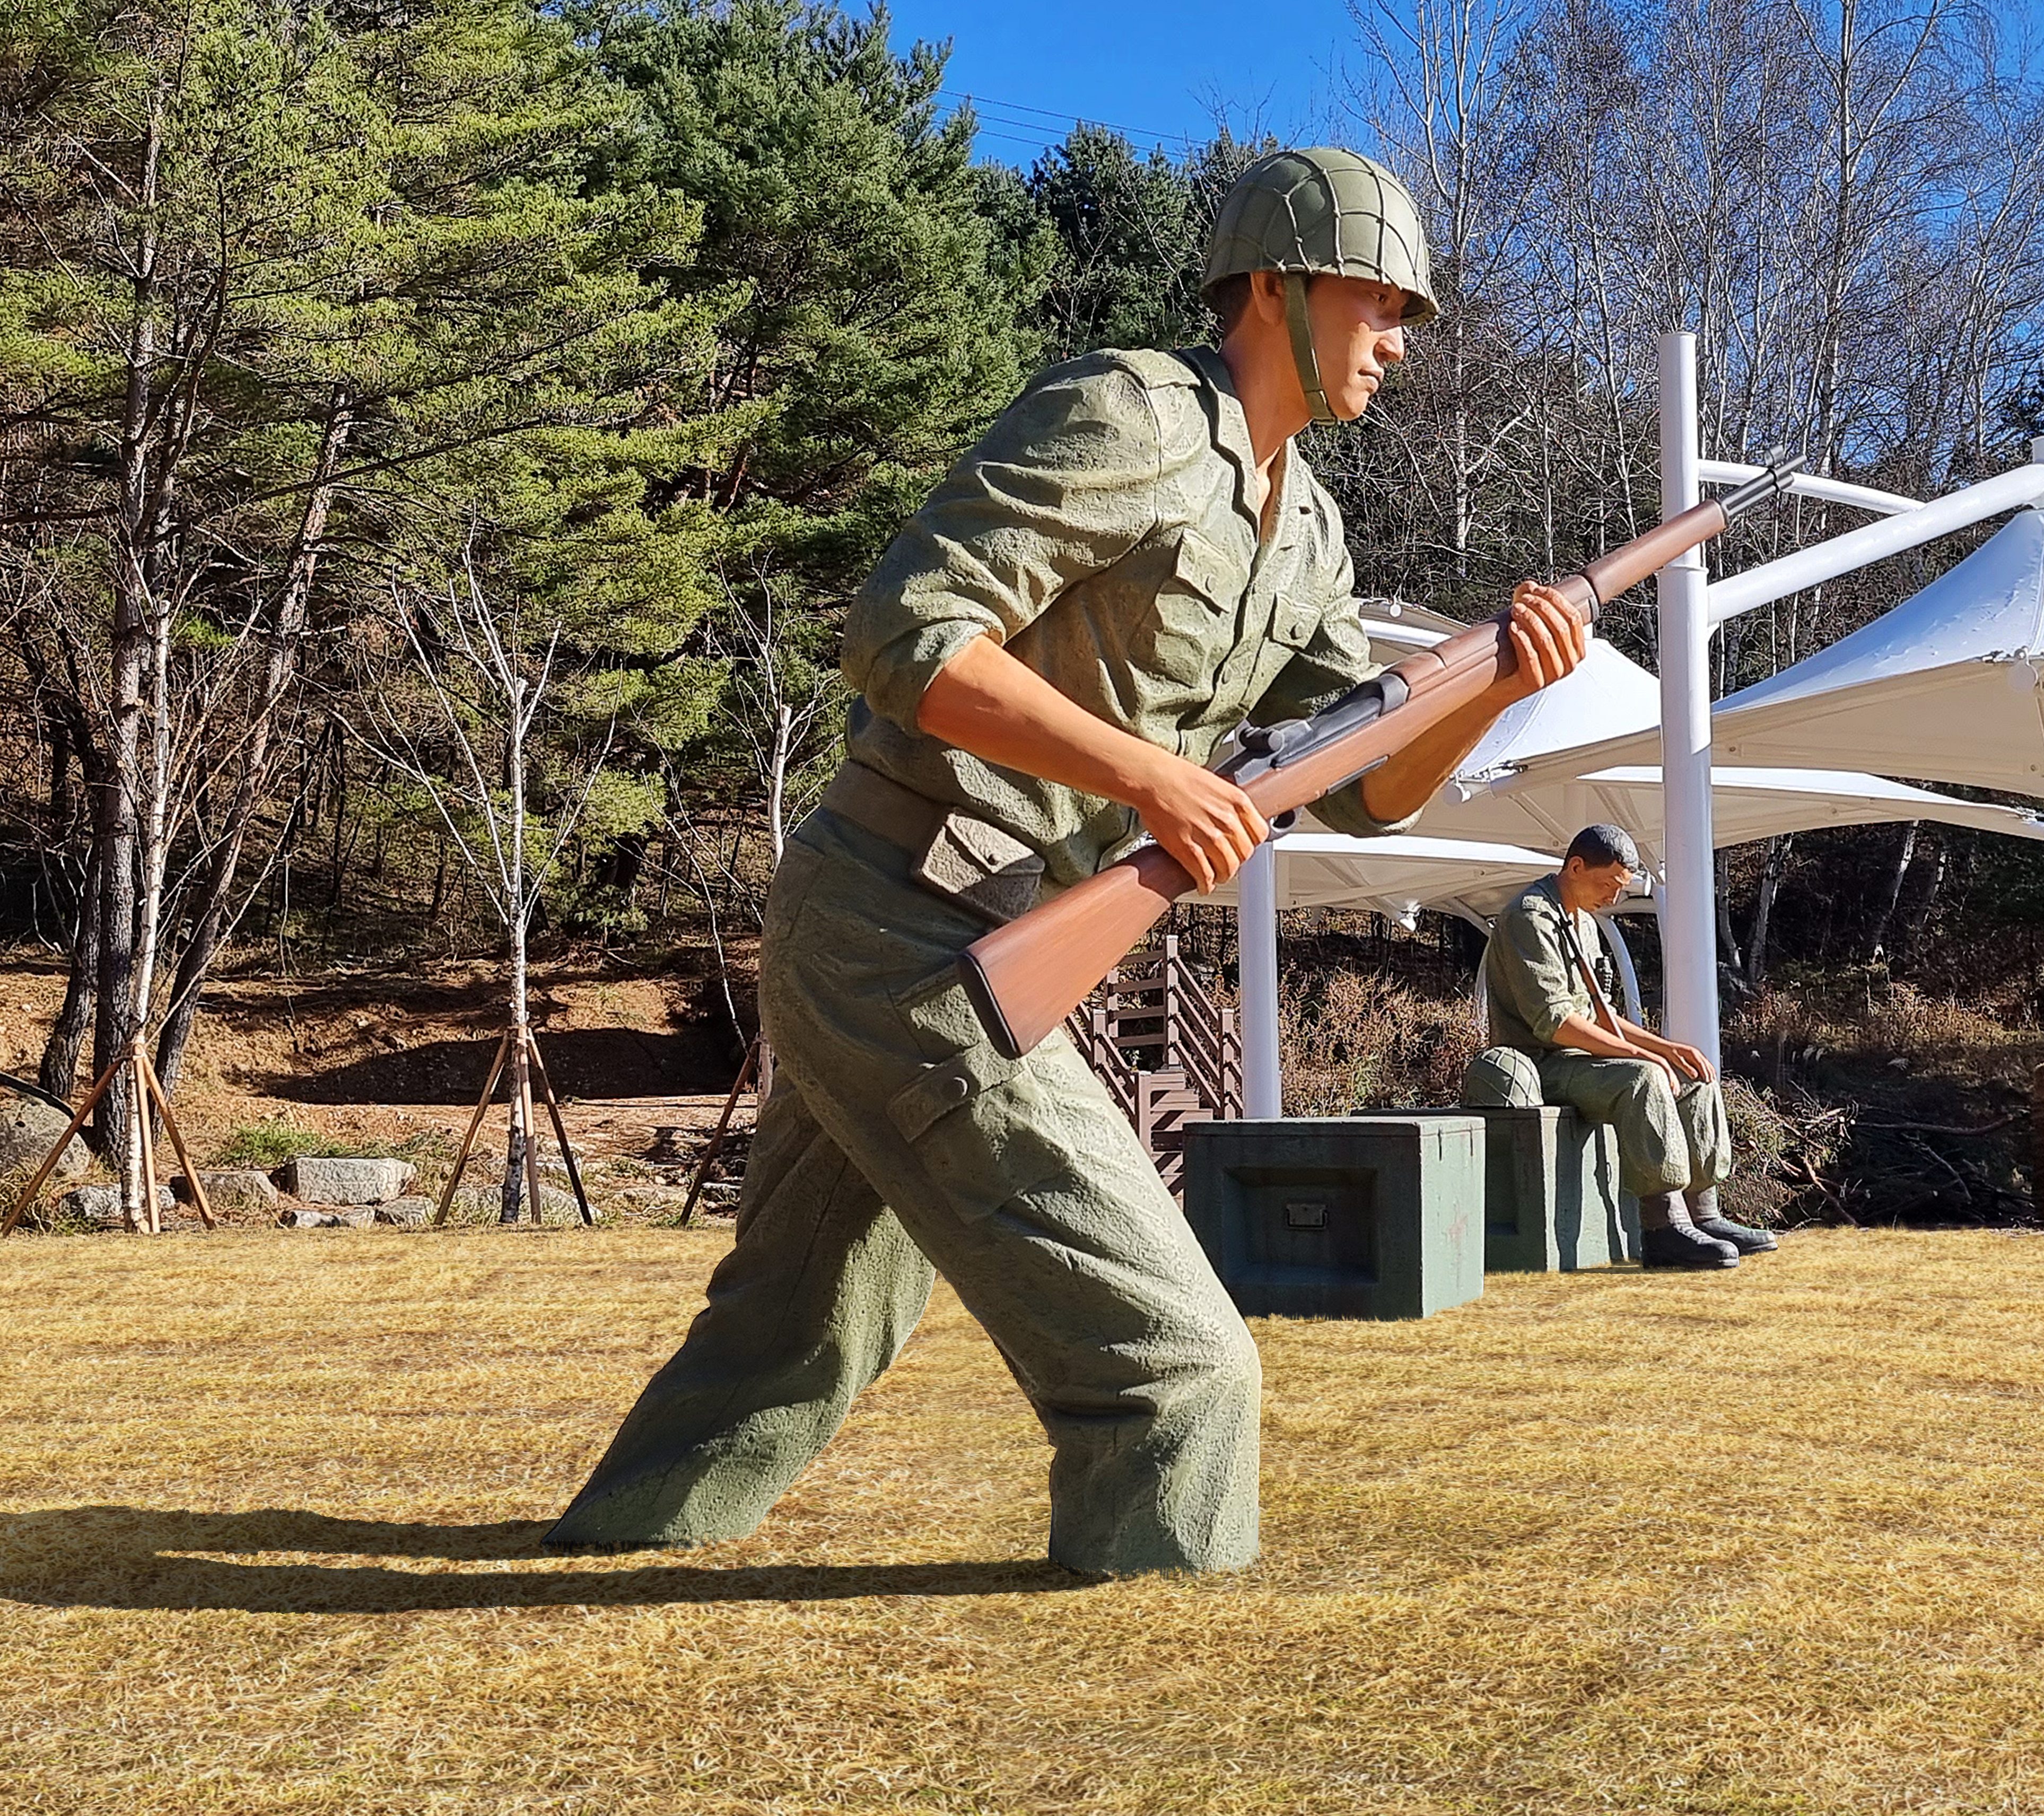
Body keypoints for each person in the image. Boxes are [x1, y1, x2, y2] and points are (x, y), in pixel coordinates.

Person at [543, 148, 1591, 1574]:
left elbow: (1362, 797)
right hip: (898, 919)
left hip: (976, 931)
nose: (1400, 342)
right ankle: (1161, 1651)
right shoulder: (1131, 416)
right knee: (1179, 1367)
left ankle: (610, 1545)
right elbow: (906, 633)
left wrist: (1497, 682)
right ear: (1276, 288)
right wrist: (1151, 775)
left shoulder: (1313, 536)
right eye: (1381, 304)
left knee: (799, 1323)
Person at [1481, 824, 1778, 1271]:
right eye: (1607, 885)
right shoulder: (1529, 918)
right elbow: (1554, 1022)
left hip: (1582, 1060)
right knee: (1643, 1079)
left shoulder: (1582, 921)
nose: (1613, 899)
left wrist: (1667, 1049)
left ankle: (1705, 1214)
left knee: (1693, 1076)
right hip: (1542, 1064)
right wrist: (1641, 1057)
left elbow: (1599, 1014)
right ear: (1575, 867)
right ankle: (1663, 1227)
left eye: (1620, 889)